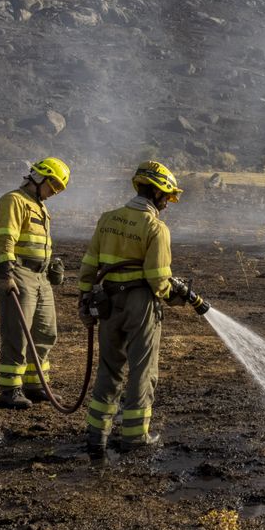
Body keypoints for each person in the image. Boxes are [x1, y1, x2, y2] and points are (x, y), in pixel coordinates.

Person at [76, 160, 198, 464]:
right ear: (157, 193)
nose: (168, 204)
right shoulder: (155, 228)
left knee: (109, 368)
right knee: (143, 370)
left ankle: (96, 436)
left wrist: (84, 298)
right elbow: (158, 279)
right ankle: (134, 436)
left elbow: (89, 264)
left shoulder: (108, 219)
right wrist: (178, 296)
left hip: (106, 302)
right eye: (167, 197)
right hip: (139, 304)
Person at [0, 157, 70, 408]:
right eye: (53, 185)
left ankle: (35, 384)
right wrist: (5, 274)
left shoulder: (40, 206)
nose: (54, 192)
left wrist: (51, 266)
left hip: (41, 276)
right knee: (17, 333)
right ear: (38, 177)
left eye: (59, 188)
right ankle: (10, 389)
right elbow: (5, 239)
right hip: (19, 272)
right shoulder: (14, 200)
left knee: (46, 332)